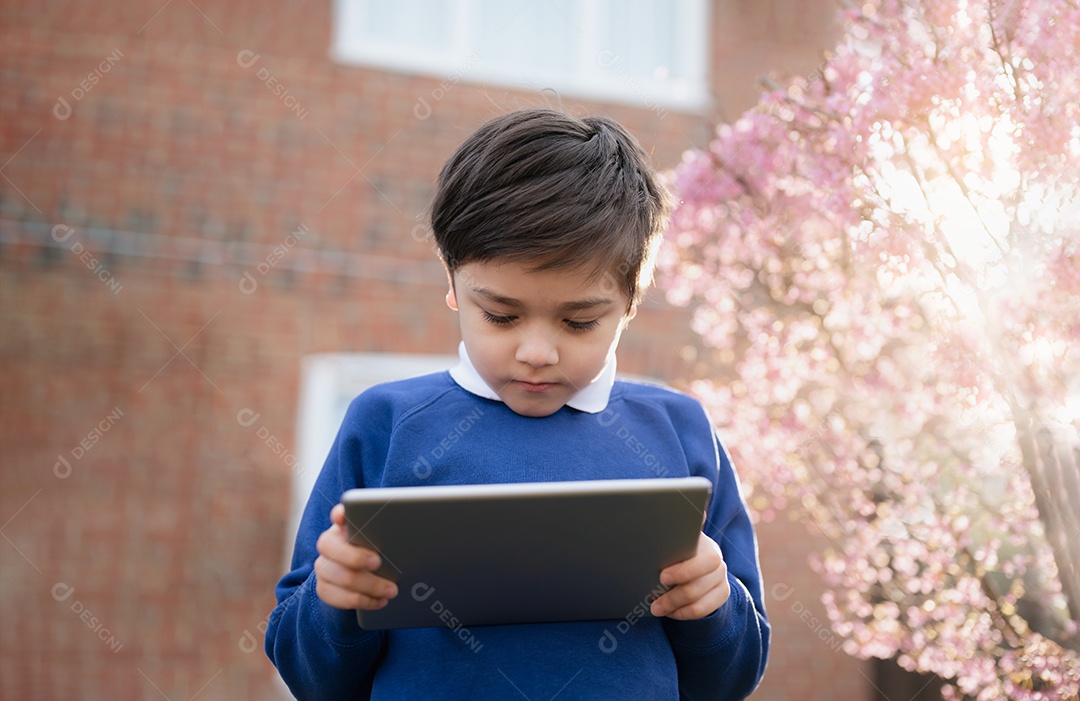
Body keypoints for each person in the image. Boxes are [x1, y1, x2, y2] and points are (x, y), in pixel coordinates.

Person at [265, 108, 770, 700]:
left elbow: (732, 678)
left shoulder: (679, 431)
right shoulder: (387, 424)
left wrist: (716, 605)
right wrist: (336, 600)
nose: (536, 352)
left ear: (630, 301)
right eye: (501, 316)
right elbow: (310, 675)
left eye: (579, 321)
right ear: (453, 284)